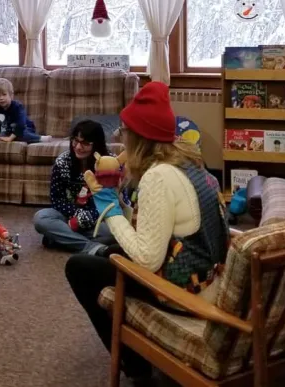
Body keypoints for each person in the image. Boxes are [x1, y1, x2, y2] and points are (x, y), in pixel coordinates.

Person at [64, 82, 229, 386]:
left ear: (139, 137)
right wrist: (119, 205)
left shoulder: (157, 177)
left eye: (124, 131)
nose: (120, 137)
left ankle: (134, 364)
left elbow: (148, 259)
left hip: (185, 293)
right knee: (105, 246)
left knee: (79, 267)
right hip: (208, 274)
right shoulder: (190, 162)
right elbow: (156, 225)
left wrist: (110, 210)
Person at [33, 120, 115, 256]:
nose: (78, 147)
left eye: (85, 143)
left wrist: (90, 216)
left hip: (100, 218)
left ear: (97, 144)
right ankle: (92, 247)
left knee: (113, 232)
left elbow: (114, 200)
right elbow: (56, 199)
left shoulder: (109, 163)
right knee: (41, 218)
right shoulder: (62, 162)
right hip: (68, 216)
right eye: (75, 141)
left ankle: (60, 238)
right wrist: (76, 213)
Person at [0, 78, 50, 144]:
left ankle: (40, 138)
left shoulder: (17, 107)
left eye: (4, 94)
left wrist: (11, 138)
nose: (1, 98)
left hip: (24, 128)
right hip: (9, 130)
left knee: (20, 134)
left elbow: (21, 124)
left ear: (11, 95)